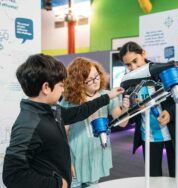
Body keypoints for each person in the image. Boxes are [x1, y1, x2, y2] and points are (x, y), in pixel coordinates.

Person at [2, 54, 124, 188]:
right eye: (61, 85)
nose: (63, 89)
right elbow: (12, 175)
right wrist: (57, 184)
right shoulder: (28, 125)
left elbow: (78, 112)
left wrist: (107, 97)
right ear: (46, 87)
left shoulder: (51, 110)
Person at [119, 41, 178, 177]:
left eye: (135, 61)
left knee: (176, 177)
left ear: (143, 54)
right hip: (149, 136)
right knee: (153, 179)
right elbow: (131, 118)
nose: (133, 67)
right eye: (128, 64)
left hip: (173, 134)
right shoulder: (129, 82)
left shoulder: (163, 71)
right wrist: (136, 108)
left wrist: (170, 113)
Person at [60, 57, 129, 188]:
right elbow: (63, 133)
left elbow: (122, 123)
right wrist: (66, 160)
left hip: (97, 149)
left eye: (96, 76)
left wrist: (125, 109)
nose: (95, 81)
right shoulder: (68, 101)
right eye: (90, 79)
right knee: (74, 184)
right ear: (79, 82)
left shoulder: (108, 95)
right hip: (75, 152)